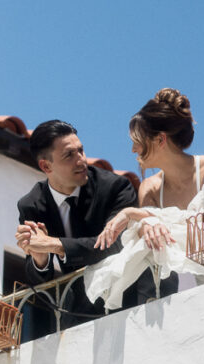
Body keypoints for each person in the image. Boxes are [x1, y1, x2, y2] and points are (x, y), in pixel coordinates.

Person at [87, 88, 204, 309]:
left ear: (160, 140)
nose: (133, 149)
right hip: (184, 297)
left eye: (137, 140)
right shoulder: (150, 188)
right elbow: (148, 235)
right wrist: (146, 223)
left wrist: (133, 214)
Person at [15, 120, 138, 335]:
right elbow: (38, 280)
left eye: (80, 150)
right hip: (78, 313)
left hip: (128, 301)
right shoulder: (30, 205)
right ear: (46, 166)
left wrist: (54, 244)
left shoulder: (116, 187)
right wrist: (39, 257)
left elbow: (115, 244)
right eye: (69, 155)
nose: (81, 160)